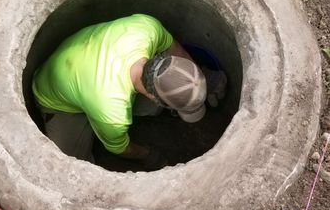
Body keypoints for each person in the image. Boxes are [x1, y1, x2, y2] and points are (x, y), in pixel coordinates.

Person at [32, 14, 226, 170]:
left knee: (143, 109)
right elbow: (119, 148)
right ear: (152, 96)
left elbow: (175, 49)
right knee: (73, 164)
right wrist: (148, 155)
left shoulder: (148, 28)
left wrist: (198, 81)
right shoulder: (112, 111)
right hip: (55, 98)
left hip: (81, 61)